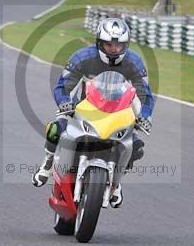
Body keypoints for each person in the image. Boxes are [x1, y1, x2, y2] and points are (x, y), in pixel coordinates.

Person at [31, 17, 154, 208]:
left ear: (126, 45)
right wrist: (64, 103)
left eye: (119, 45)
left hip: (118, 114)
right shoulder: (82, 57)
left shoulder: (134, 62)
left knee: (135, 146)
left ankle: (116, 182)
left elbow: (145, 94)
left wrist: (145, 116)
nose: (114, 49)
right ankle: (47, 163)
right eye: (109, 44)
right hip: (82, 109)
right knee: (56, 129)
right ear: (99, 42)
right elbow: (63, 86)